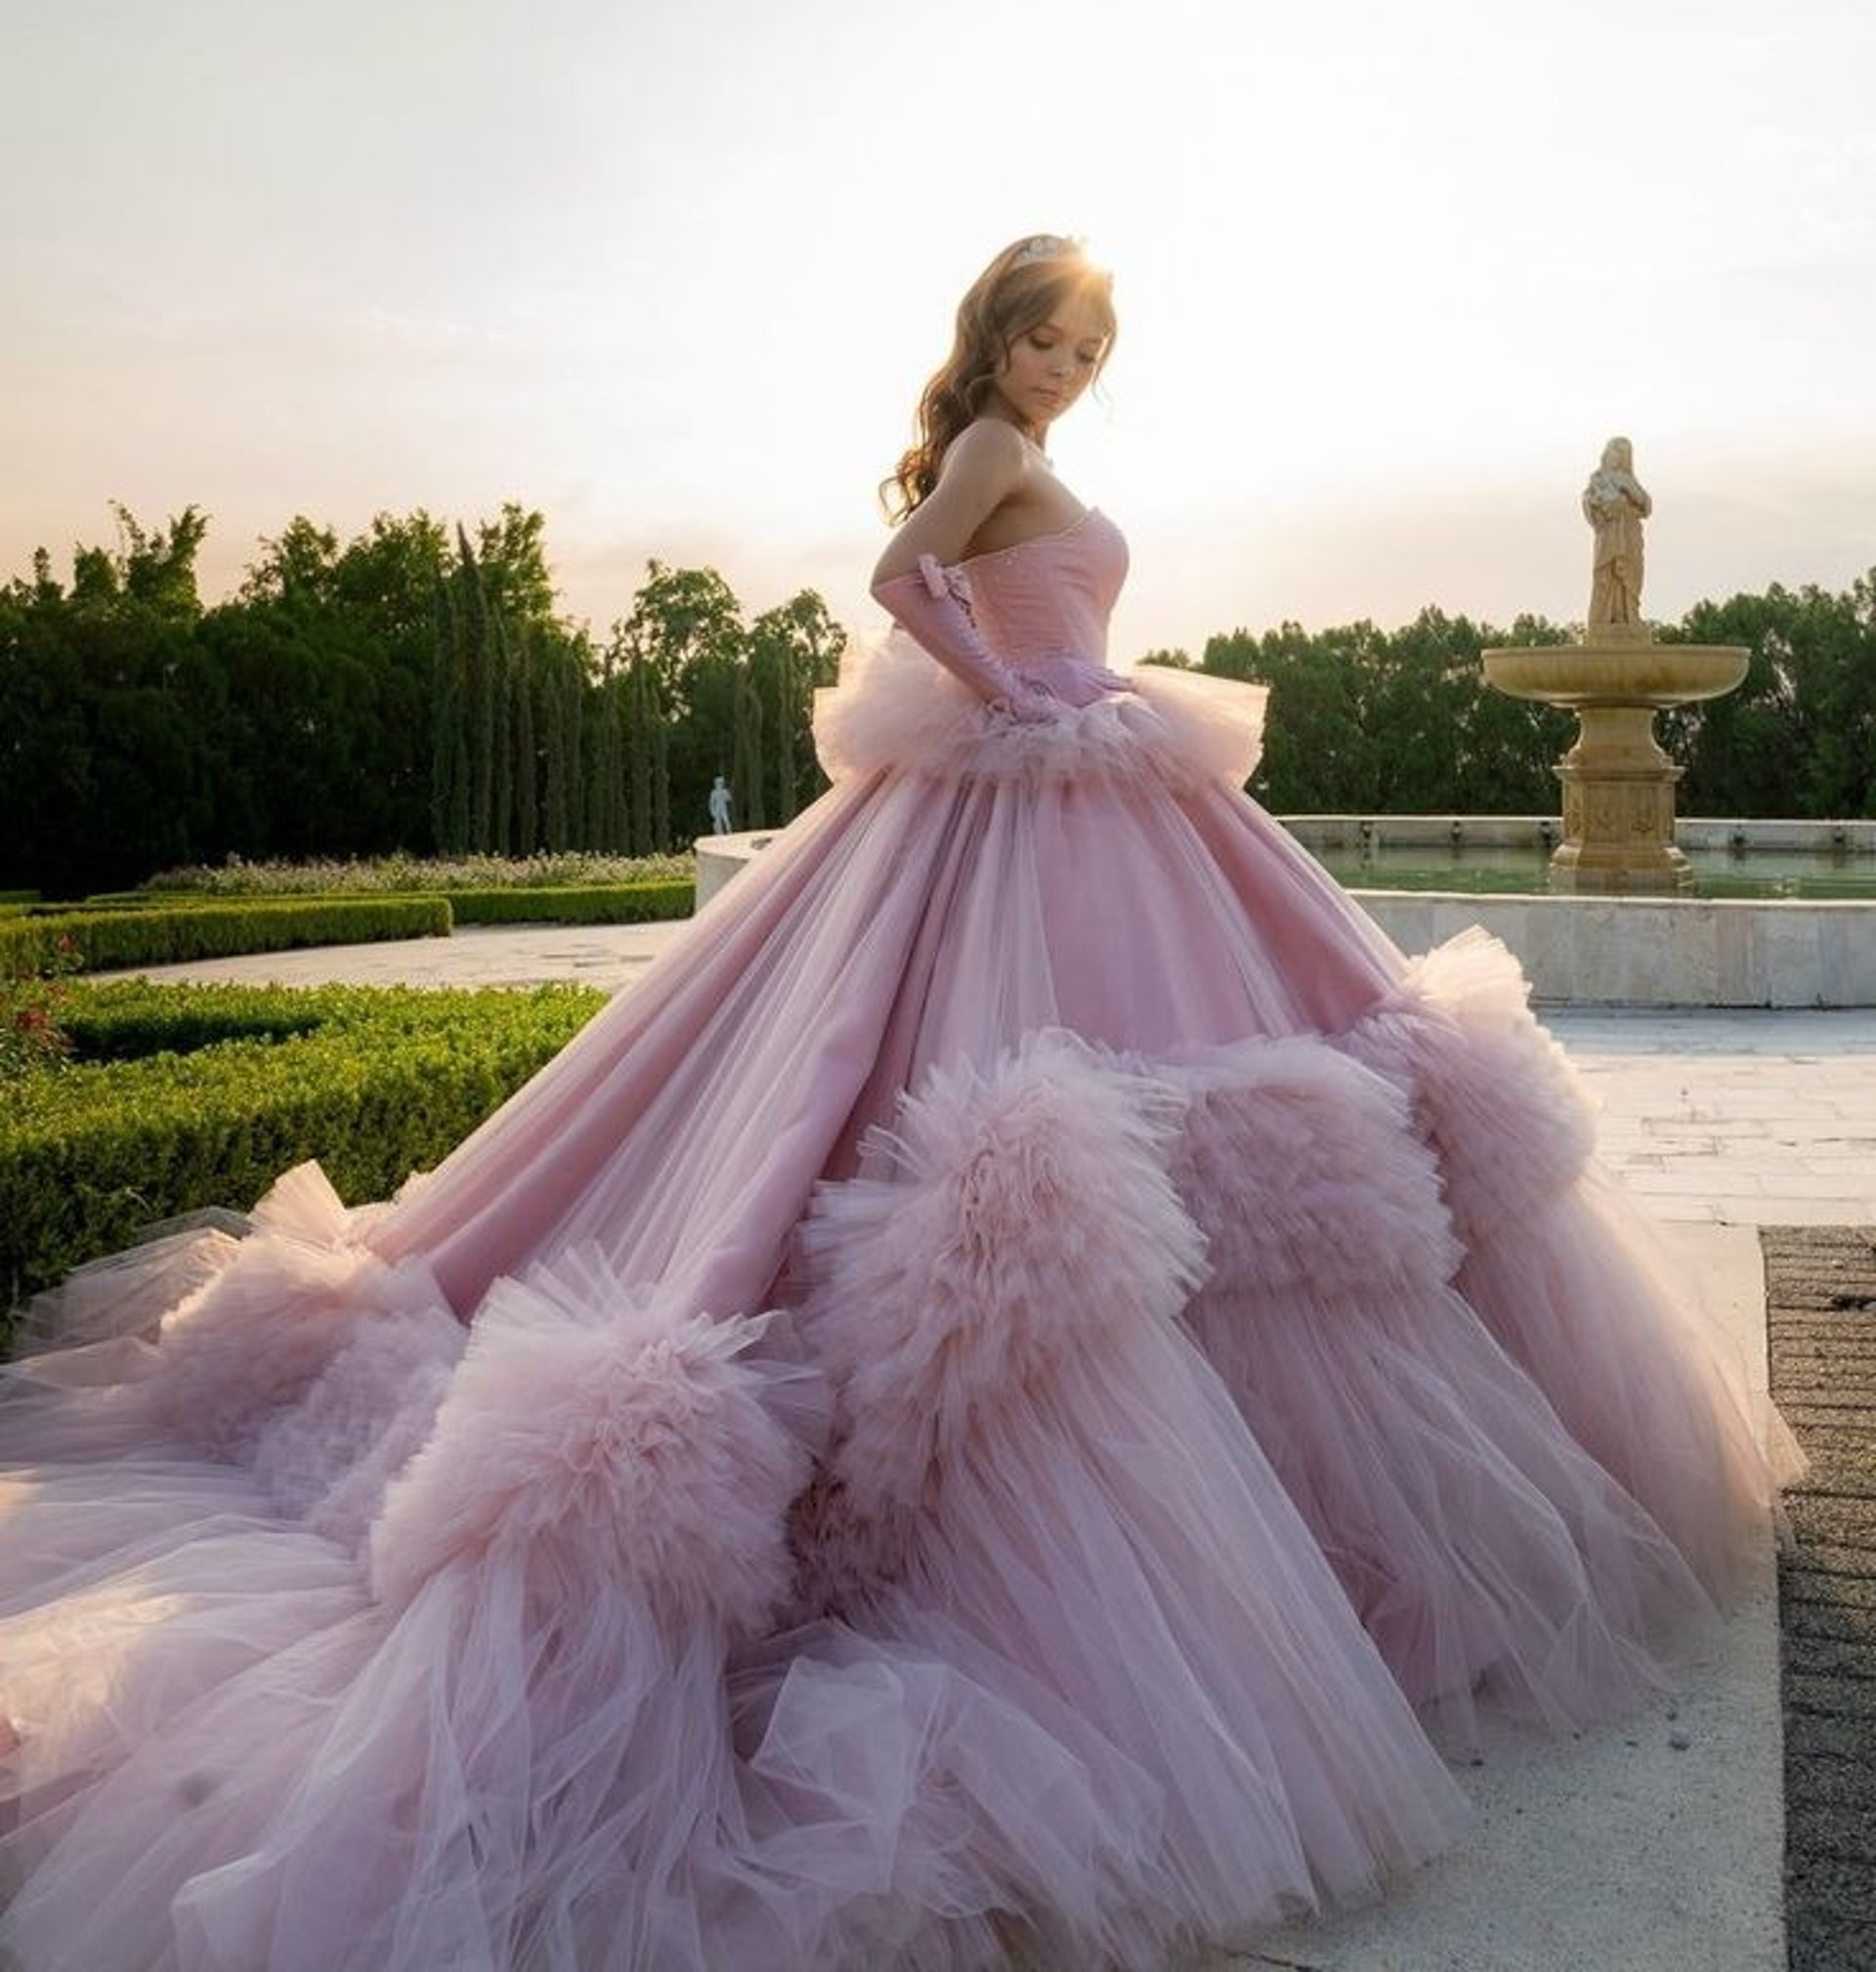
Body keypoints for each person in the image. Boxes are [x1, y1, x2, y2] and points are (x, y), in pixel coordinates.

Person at [0, 237, 1791, 1972]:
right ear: (994, 340)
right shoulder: (994, 450)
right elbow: (897, 578)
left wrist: (1042, 688)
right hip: (1028, 775)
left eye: (1088, 353)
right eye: (1047, 343)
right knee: (958, 1089)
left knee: (1213, 1069)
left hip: (1094, 779)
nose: (1065, 373)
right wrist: (1010, 694)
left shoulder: (1022, 451)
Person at [1583, 434, 1652, 630]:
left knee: (1630, 575)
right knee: (1604, 575)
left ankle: (1629, 616)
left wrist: (1630, 491)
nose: (1617, 457)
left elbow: (1646, 506)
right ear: (1607, 453)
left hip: (1629, 534)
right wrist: (1602, 505)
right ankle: (1601, 620)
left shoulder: (1629, 479)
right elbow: (1589, 502)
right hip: (1608, 533)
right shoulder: (1598, 479)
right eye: (1615, 452)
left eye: (1623, 454)